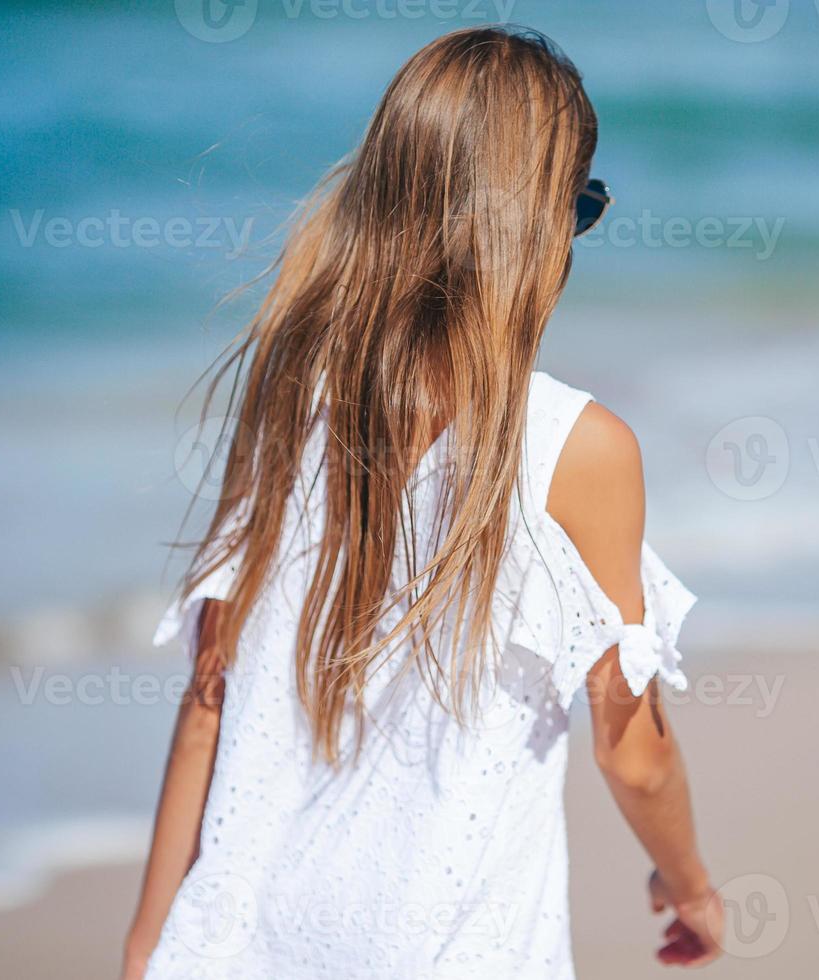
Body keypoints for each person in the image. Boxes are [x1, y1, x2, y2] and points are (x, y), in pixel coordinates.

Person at [124, 26, 720, 979]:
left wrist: (147, 951)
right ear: (533, 224)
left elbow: (209, 701)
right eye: (582, 206)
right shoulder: (577, 449)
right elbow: (631, 751)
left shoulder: (292, 383)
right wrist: (688, 884)